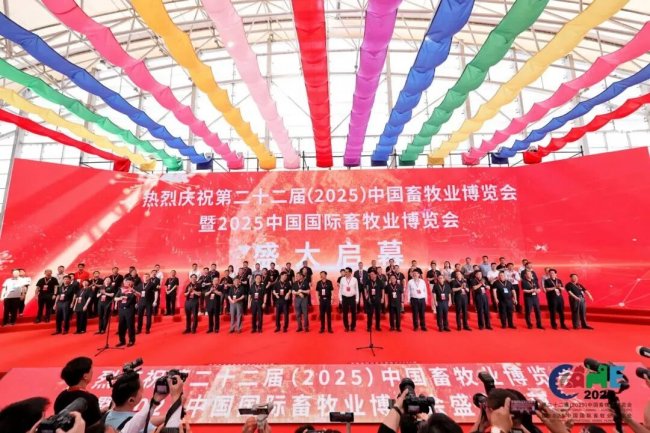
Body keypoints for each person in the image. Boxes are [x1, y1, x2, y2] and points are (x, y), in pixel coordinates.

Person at [54, 356, 102, 426]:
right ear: (85, 376)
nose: (92, 372)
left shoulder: (61, 396)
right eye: (91, 370)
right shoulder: (90, 399)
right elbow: (97, 426)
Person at [115, 280, 138, 347]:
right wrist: (120, 298)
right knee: (121, 326)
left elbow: (139, 295)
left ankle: (131, 340)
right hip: (121, 310)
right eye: (126, 282)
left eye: (129, 283)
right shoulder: (121, 290)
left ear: (131, 284)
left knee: (130, 326)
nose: (127, 284)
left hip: (129, 310)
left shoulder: (133, 290)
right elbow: (115, 298)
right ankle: (122, 341)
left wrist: (133, 291)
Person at [339, 267, 359, 332]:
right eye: (345, 272)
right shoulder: (342, 279)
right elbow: (340, 289)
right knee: (345, 313)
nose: (345, 273)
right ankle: (346, 327)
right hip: (344, 298)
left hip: (352, 298)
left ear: (350, 273)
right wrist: (340, 298)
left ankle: (353, 327)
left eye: (347, 272)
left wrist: (357, 299)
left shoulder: (354, 279)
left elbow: (357, 289)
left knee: (354, 313)